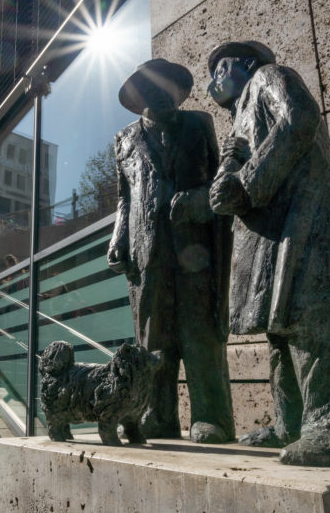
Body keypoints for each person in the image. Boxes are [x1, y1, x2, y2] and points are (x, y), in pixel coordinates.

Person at [207, 41, 330, 465]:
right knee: (281, 329)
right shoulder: (240, 116)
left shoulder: (270, 77)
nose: (214, 79)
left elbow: (299, 118)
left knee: (314, 320)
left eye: (222, 67)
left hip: (308, 218)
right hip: (279, 228)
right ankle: (293, 423)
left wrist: (247, 181)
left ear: (248, 64)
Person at [107, 58, 235, 443]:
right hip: (147, 251)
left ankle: (212, 416)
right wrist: (118, 238)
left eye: (169, 90)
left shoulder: (199, 124)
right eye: (154, 91)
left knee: (200, 329)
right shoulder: (124, 139)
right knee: (153, 335)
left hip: (196, 247)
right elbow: (123, 197)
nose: (163, 97)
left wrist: (198, 200)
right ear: (140, 96)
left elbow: (219, 180)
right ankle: (156, 414)